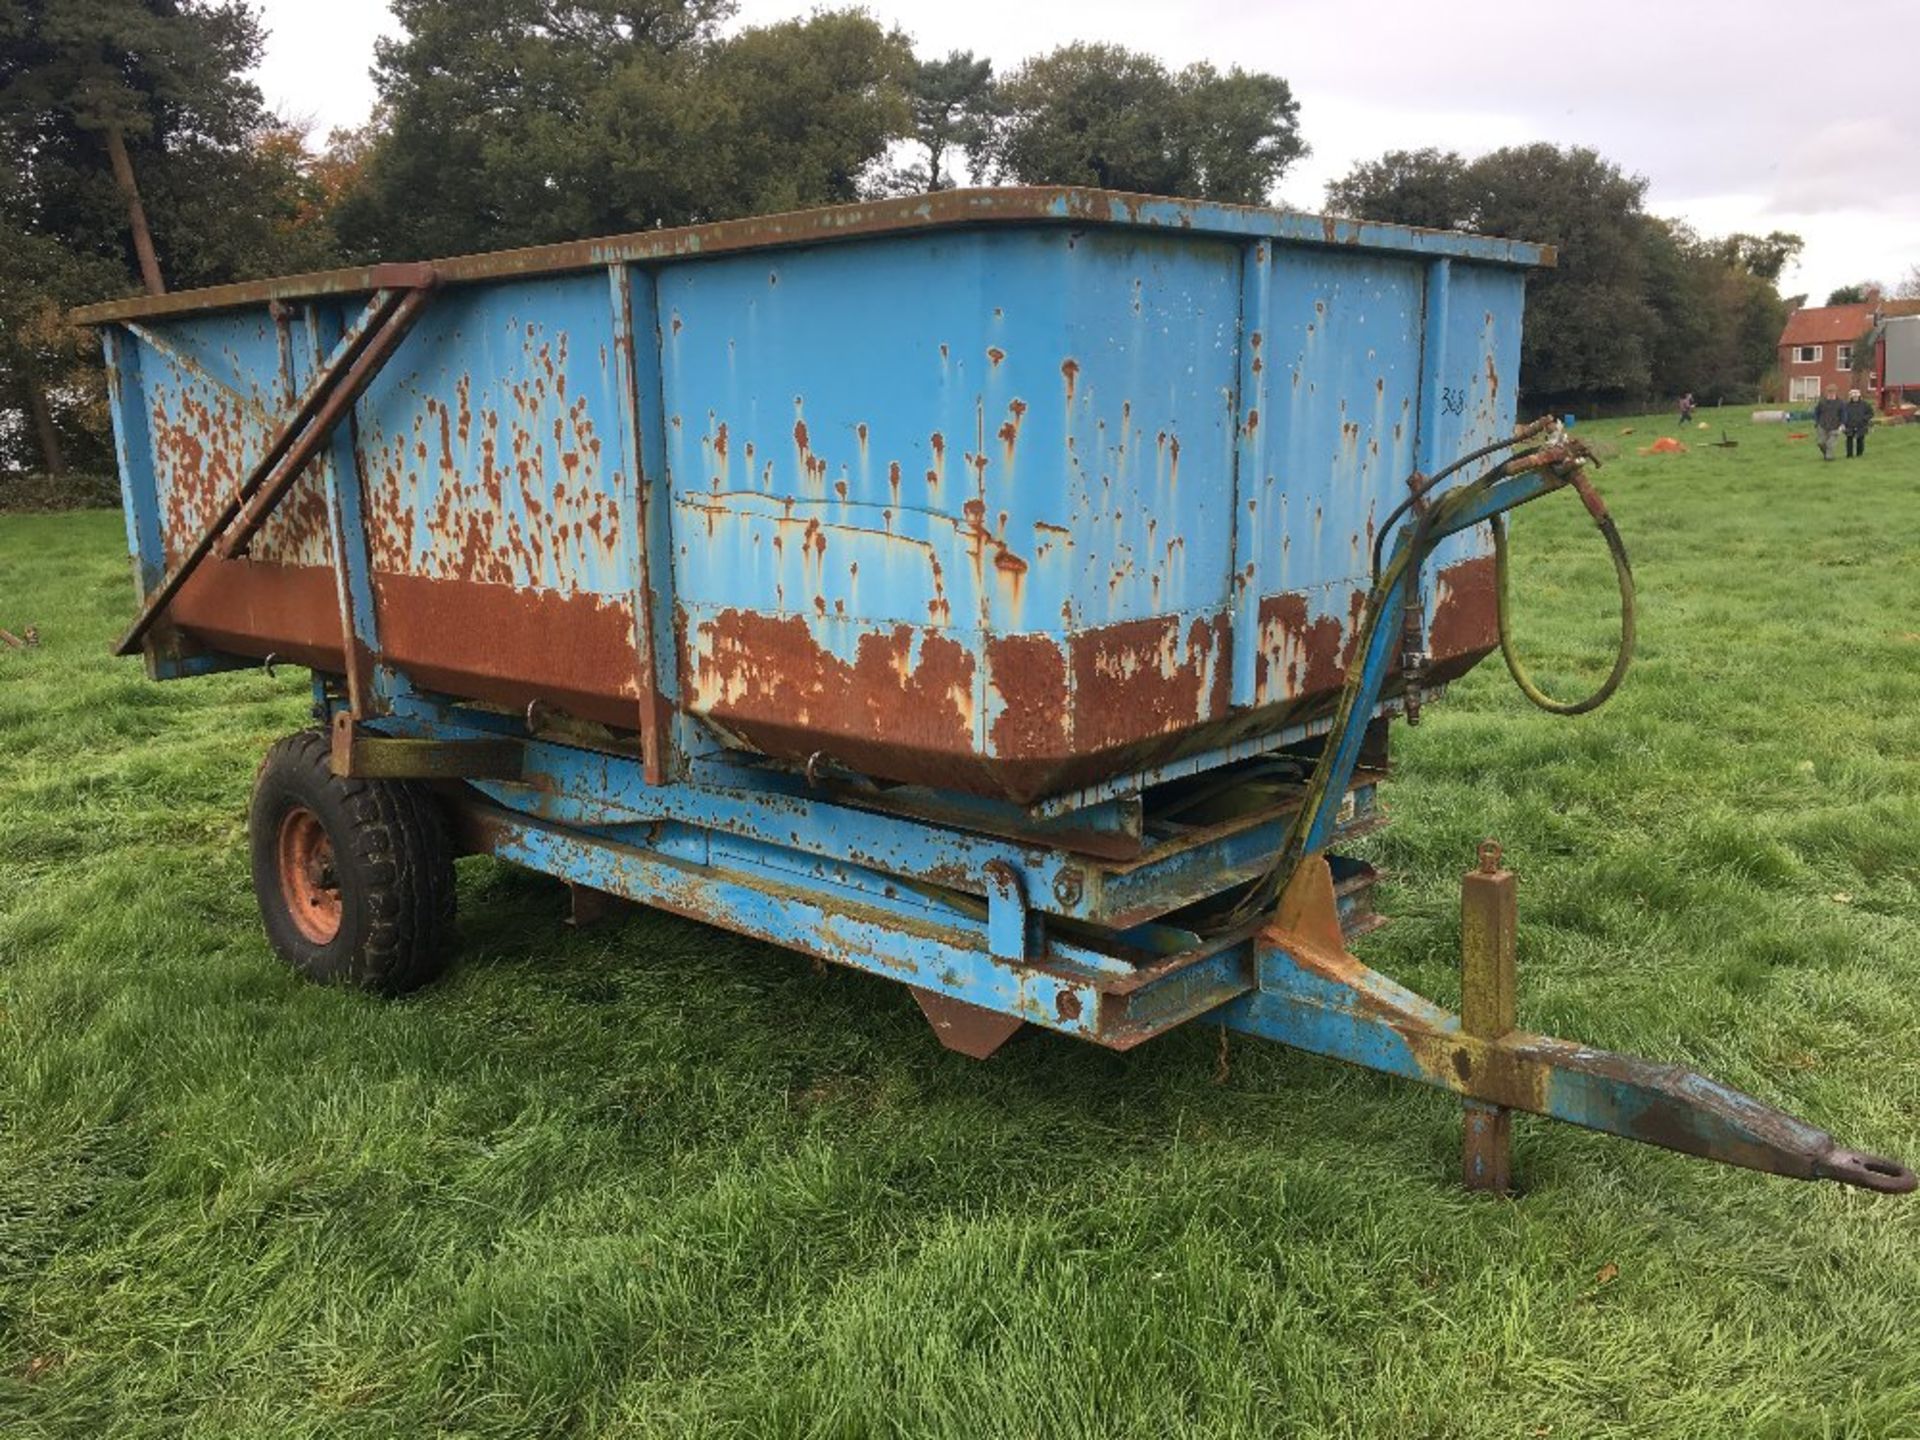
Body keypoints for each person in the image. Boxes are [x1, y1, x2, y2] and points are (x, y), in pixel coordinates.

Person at [1812, 387, 1844, 461]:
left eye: (1832, 393)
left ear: (1835, 393)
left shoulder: (1840, 403)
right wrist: (1817, 422)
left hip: (1835, 426)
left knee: (1830, 443)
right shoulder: (1822, 402)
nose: (1831, 394)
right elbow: (1816, 412)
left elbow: (1843, 414)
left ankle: (1829, 458)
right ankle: (1826, 454)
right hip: (1823, 425)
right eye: (1829, 393)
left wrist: (1842, 424)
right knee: (1821, 443)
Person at [1843, 388, 1874, 458]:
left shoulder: (1865, 404)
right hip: (1849, 425)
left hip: (1861, 425)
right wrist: (1844, 422)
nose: (1855, 397)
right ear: (1850, 397)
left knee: (1860, 439)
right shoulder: (1846, 405)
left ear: (1859, 396)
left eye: (1856, 396)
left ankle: (1859, 454)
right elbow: (1842, 414)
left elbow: (1871, 413)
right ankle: (1849, 455)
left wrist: (1864, 419)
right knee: (1849, 439)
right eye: (1853, 396)